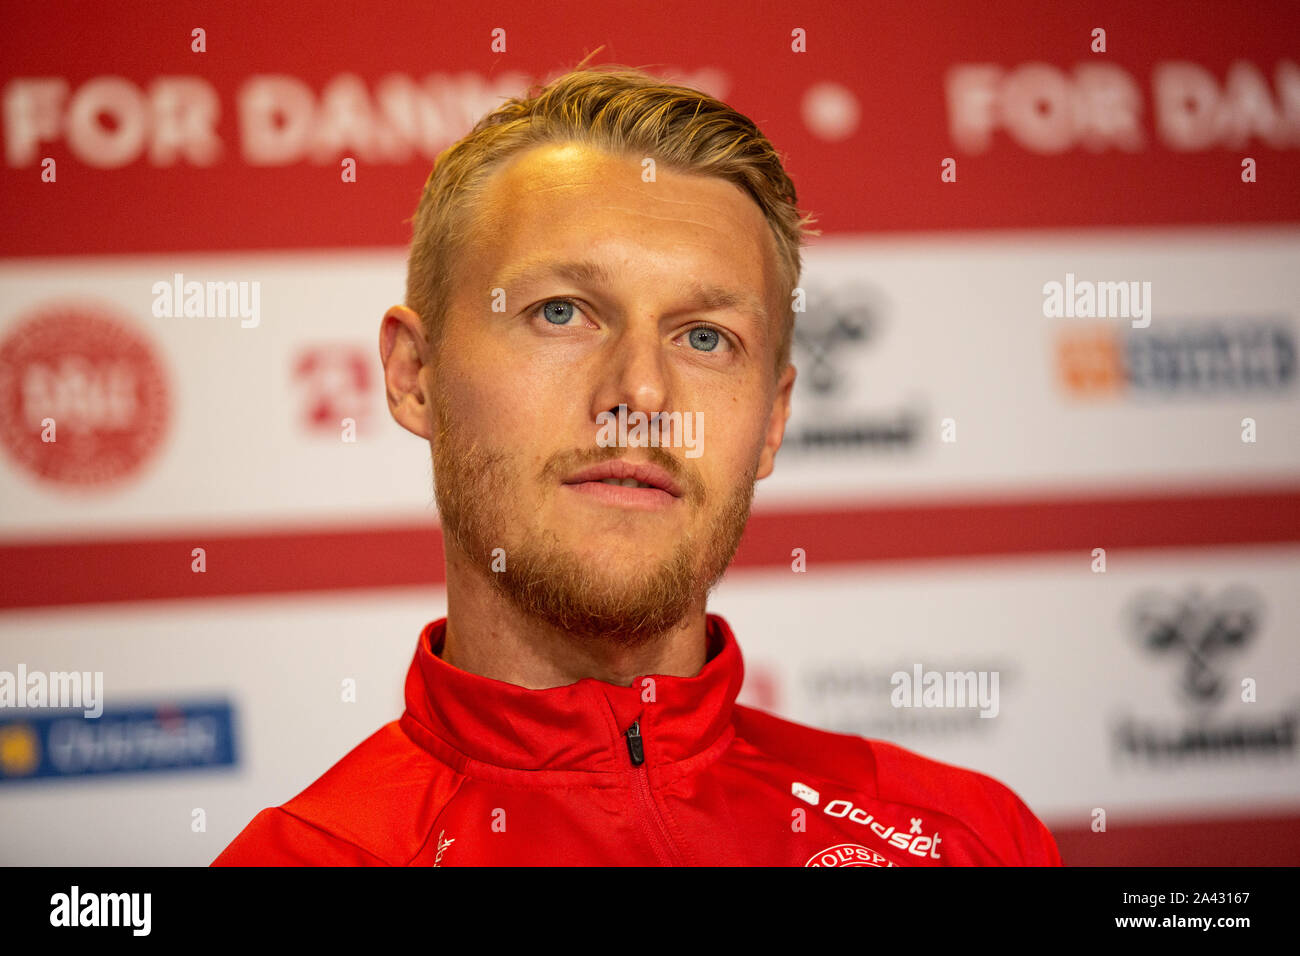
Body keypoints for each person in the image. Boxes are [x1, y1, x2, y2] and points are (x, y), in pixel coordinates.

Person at [213, 63, 1061, 867]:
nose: (644, 391)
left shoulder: (969, 836)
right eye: (561, 312)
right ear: (413, 376)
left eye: (705, 336)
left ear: (772, 419)